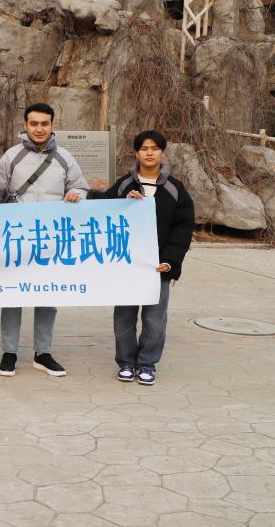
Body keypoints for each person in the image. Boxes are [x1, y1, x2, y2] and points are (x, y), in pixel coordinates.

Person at [90, 130, 194, 386]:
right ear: (136, 153)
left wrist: (170, 261)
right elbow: (103, 209)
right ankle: (126, 361)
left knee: (154, 319)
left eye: (154, 148)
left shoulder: (175, 188)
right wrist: (119, 202)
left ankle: (147, 363)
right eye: (144, 148)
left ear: (162, 153)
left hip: (158, 267)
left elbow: (183, 228)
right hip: (127, 267)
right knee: (124, 317)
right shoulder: (125, 184)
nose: (149, 153)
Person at [0, 103, 89, 378]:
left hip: (52, 239)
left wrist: (77, 195)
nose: (39, 129)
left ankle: (43, 353)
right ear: (25, 125)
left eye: (44, 124)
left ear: (52, 125)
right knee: (12, 295)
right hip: (17, 238)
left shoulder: (65, 157)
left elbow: (81, 186)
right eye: (34, 123)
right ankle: (9, 352)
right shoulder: (11, 156)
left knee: (47, 295)